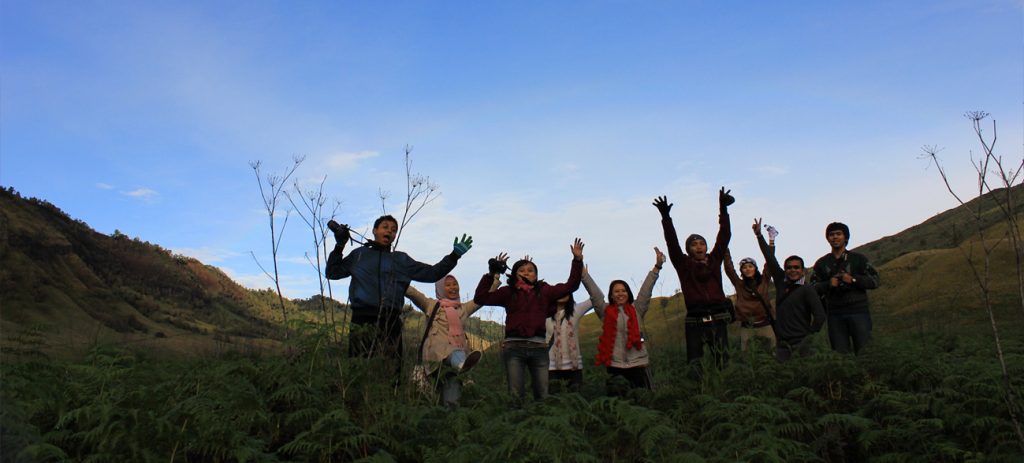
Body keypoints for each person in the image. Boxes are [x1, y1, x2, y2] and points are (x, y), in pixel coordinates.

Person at [325, 215, 473, 379]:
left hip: (391, 322)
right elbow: (333, 273)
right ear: (375, 231)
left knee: (391, 371)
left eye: (394, 230)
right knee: (358, 370)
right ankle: (357, 404)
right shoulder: (359, 255)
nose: (390, 231)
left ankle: (391, 400)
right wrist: (339, 245)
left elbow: (432, 273)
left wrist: (454, 256)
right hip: (361, 320)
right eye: (385, 227)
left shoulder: (401, 260)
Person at [473, 239, 585, 404]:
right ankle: (516, 425)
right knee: (515, 395)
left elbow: (571, 285)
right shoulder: (508, 292)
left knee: (542, 396)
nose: (526, 273)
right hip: (514, 348)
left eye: (530, 270)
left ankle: (538, 425)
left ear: (536, 275)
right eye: (522, 270)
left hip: (539, 348)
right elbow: (480, 297)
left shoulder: (545, 291)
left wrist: (577, 260)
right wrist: (491, 274)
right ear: (515, 273)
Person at [653, 188, 735, 370]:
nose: (699, 247)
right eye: (694, 244)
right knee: (695, 365)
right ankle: (697, 396)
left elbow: (724, 235)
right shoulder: (683, 265)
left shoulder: (715, 260)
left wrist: (723, 209)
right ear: (689, 249)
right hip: (694, 321)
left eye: (702, 243)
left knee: (723, 364)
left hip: (718, 318)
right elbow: (672, 244)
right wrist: (666, 218)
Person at [405, 273, 498, 409]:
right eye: (448, 285)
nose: (453, 287)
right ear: (440, 289)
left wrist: (494, 278)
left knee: (451, 401)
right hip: (437, 357)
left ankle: (450, 422)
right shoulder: (431, 305)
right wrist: (398, 277)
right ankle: (462, 365)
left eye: (455, 284)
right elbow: (413, 294)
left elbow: (481, 299)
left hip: (454, 361)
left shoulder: (463, 309)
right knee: (454, 353)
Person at [594, 247, 666, 394]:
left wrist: (657, 268)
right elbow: (594, 295)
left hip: (638, 365)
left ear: (628, 293)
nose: (620, 293)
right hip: (615, 366)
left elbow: (646, 290)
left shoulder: (637, 309)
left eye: (623, 290)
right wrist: (583, 275)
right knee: (617, 407)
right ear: (611, 295)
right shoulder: (605, 312)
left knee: (643, 403)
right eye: (616, 291)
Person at [753, 218, 826, 361]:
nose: (792, 270)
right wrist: (759, 236)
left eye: (796, 267)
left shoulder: (807, 289)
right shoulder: (781, 281)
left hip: (802, 343)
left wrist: (809, 336)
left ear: (803, 270)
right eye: (789, 267)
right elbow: (769, 258)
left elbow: (820, 316)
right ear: (785, 269)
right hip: (782, 344)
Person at [811, 222, 880, 354]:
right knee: (840, 356)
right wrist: (828, 284)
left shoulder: (858, 259)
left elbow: (875, 280)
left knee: (866, 353)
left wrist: (854, 279)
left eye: (838, 234)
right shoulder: (821, 263)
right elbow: (812, 287)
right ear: (827, 239)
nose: (835, 237)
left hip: (859, 312)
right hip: (834, 314)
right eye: (831, 235)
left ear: (846, 238)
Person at [546, 264, 605, 393]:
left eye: (565, 291)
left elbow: (598, 297)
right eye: (559, 291)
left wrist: (585, 277)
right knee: (552, 402)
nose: (562, 294)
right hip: (551, 366)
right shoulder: (544, 314)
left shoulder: (575, 311)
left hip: (574, 366)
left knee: (575, 401)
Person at [723, 248, 775, 351]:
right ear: (741, 271)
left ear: (755, 268)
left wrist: (771, 243)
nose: (747, 269)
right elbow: (729, 269)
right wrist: (725, 250)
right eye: (744, 267)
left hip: (765, 324)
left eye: (750, 266)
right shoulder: (739, 284)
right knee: (747, 357)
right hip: (747, 327)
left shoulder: (764, 281)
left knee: (772, 353)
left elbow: (769, 262)